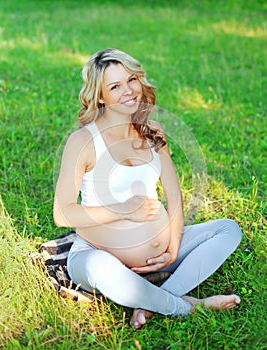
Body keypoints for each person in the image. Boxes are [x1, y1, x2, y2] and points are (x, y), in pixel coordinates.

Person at [53, 48, 242, 329]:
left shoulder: (152, 130)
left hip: (160, 255)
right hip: (97, 254)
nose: (128, 91)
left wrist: (173, 247)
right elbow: (63, 214)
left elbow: (174, 195)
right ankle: (188, 306)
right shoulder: (83, 141)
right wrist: (121, 209)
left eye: (131, 80)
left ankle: (152, 301)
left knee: (228, 229)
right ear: (100, 96)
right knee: (101, 270)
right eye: (115, 86)